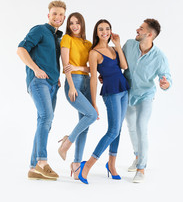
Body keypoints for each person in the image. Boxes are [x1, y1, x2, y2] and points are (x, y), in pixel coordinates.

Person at [17, 0, 66, 180]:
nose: (57, 17)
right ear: (48, 15)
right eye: (54, 14)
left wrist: (56, 77)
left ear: (64, 17)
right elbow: (21, 49)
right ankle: (42, 162)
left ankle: (33, 167)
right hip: (38, 82)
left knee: (44, 121)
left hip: (53, 84)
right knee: (46, 117)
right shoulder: (39, 30)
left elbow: (53, 60)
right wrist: (36, 69)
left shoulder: (57, 36)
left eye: (61, 14)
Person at [76, 19, 130, 184]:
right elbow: (93, 79)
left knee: (118, 130)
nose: (105, 32)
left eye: (107, 29)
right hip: (111, 93)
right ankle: (87, 166)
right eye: (101, 29)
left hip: (123, 90)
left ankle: (111, 165)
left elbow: (124, 66)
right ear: (96, 32)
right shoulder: (94, 53)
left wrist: (118, 45)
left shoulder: (114, 49)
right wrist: (94, 103)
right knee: (113, 130)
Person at [123, 19, 172, 183]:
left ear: (149, 34)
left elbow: (167, 77)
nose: (137, 29)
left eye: (141, 28)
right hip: (128, 92)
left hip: (146, 95)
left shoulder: (159, 56)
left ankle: (141, 169)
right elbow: (119, 64)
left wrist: (166, 84)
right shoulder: (129, 45)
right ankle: (137, 156)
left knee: (141, 126)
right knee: (130, 126)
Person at [58, 12, 98, 179]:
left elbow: (92, 68)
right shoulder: (67, 38)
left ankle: (76, 165)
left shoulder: (88, 44)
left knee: (85, 126)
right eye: (71, 23)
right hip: (73, 82)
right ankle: (67, 142)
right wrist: (72, 86)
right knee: (92, 115)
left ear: (82, 25)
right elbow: (66, 65)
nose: (74, 26)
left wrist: (81, 68)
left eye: (77, 23)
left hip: (86, 82)